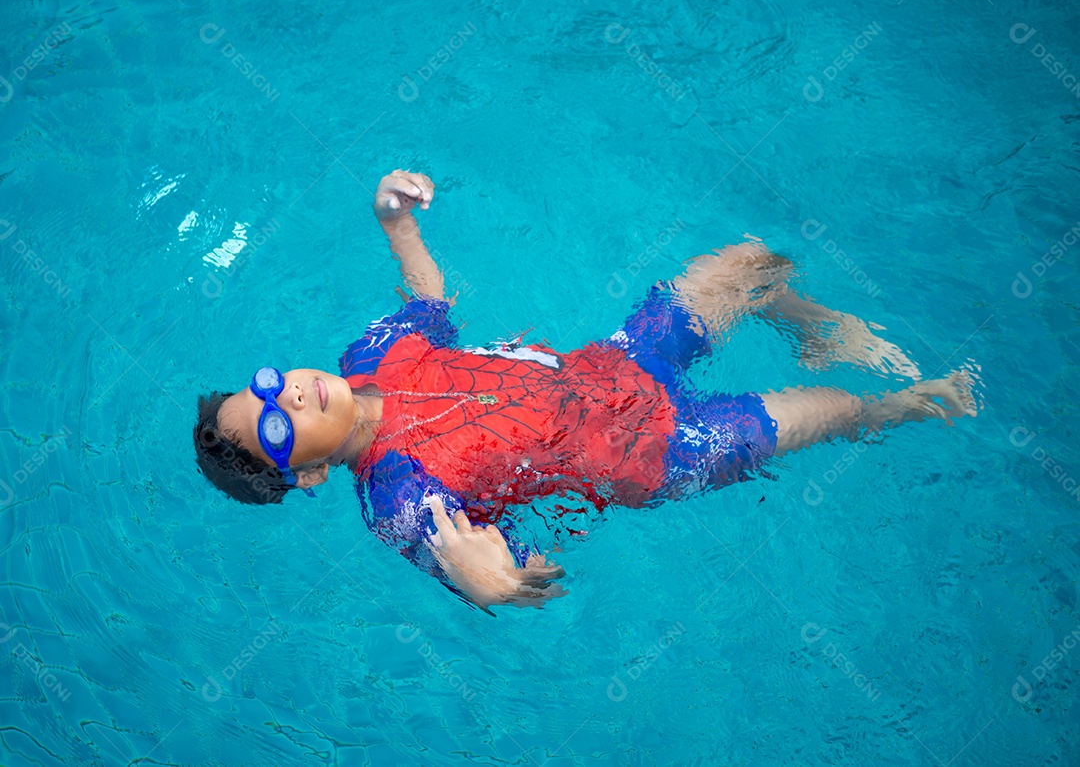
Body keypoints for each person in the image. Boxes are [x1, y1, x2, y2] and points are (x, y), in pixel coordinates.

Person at [193, 170, 977, 610]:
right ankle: (894, 407)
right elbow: (482, 569)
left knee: (750, 262)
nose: (287, 397)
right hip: (654, 452)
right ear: (306, 475)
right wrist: (486, 579)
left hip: (621, 364)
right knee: (834, 410)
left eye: (268, 386)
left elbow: (429, 300)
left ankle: (808, 326)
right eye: (272, 426)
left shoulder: (372, 351)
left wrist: (395, 225)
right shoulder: (399, 494)